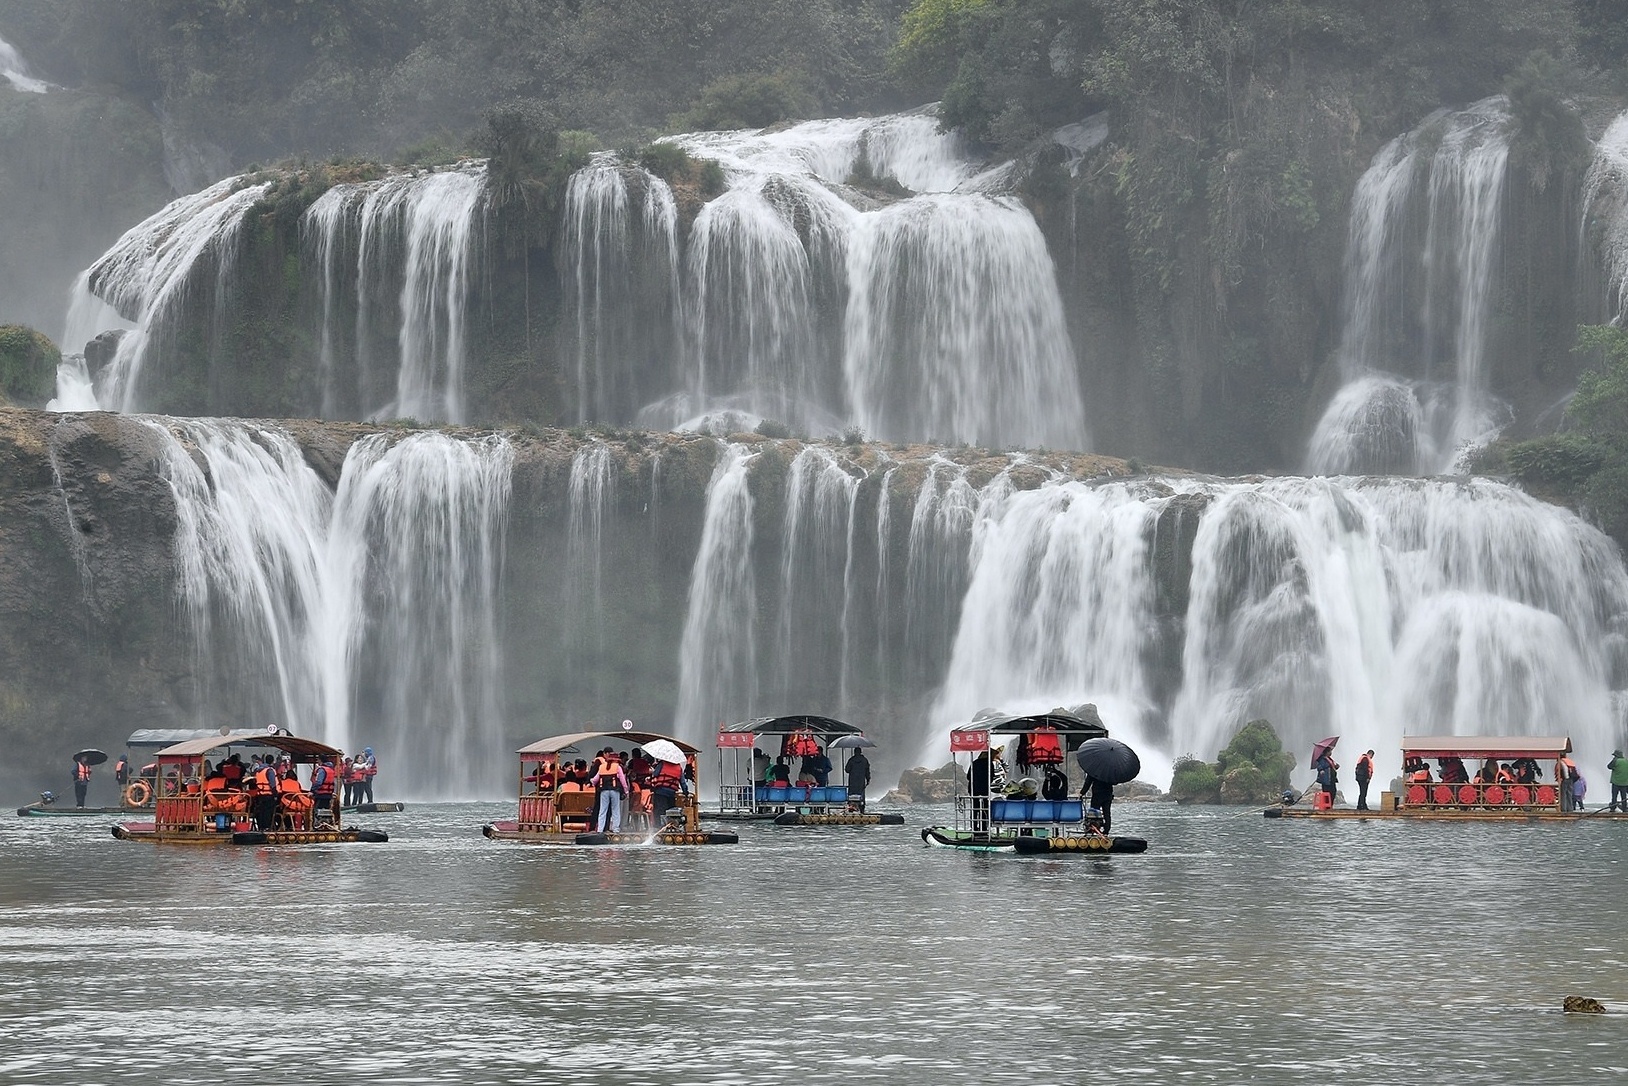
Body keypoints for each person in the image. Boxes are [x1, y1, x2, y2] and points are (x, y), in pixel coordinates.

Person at [591, 750, 627, 833]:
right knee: (615, 810)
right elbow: (622, 780)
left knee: (602, 810)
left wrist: (591, 781)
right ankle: (616, 829)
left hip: (603, 791)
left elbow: (595, 779)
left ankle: (600, 829)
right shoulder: (617, 767)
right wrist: (626, 790)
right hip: (615, 791)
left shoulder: (602, 767)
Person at [968, 750, 993, 835]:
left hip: (973, 789)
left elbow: (968, 776)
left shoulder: (974, 763)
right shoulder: (989, 764)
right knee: (985, 808)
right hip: (984, 789)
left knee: (975, 808)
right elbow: (992, 776)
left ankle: (974, 828)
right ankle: (984, 827)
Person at [1609, 749, 1628, 814]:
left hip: (1616, 782)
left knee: (1614, 796)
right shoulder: (1626, 761)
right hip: (1625, 783)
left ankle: (1613, 808)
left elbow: (1609, 766)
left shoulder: (1615, 760)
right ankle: (1624, 809)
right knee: (1624, 796)